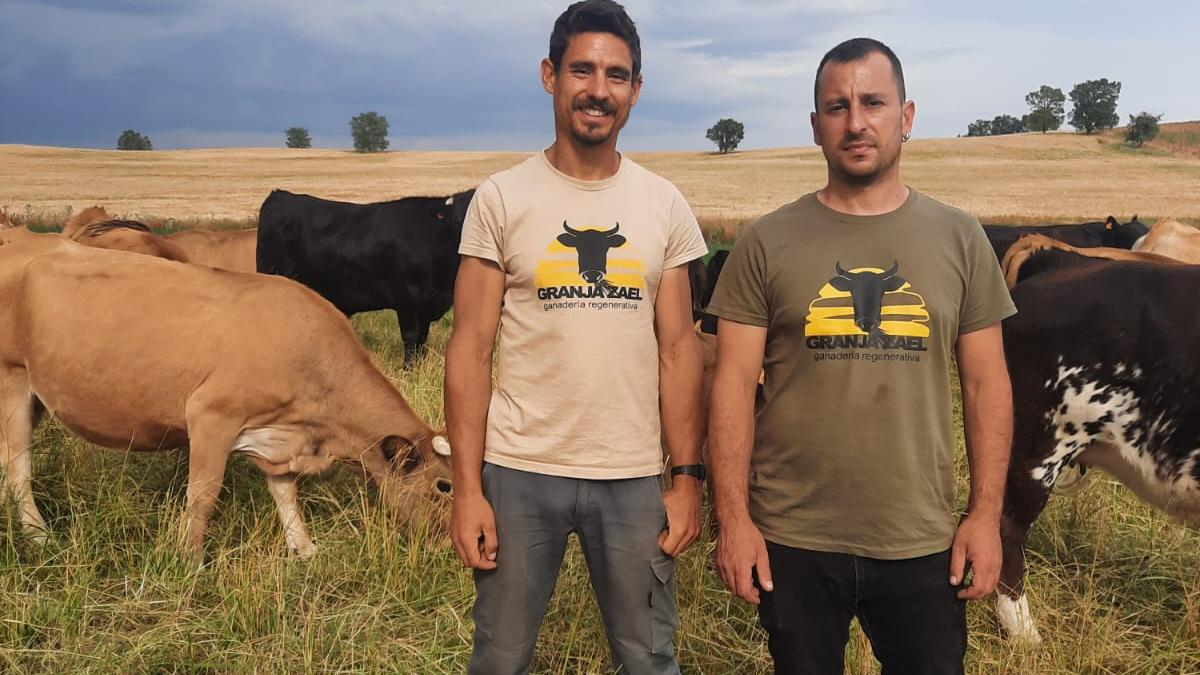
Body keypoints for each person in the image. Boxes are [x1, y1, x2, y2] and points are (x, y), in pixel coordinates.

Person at [706, 37, 1017, 675]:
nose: (856, 122)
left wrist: (986, 518)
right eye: (836, 106)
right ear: (815, 125)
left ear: (906, 116)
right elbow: (731, 384)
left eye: (873, 102)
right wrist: (733, 520)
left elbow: (988, 385)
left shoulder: (960, 239)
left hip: (921, 538)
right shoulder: (764, 242)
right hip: (792, 536)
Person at [443, 1, 709, 673]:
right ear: (550, 76)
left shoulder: (664, 204)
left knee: (649, 657)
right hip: (518, 470)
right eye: (582, 69)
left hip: (631, 474)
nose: (598, 89)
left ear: (636, 90)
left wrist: (686, 478)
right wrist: (468, 487)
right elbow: (469, 348)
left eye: (616, 75)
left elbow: (680, 351)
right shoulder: (500, 199)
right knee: (500, 657)